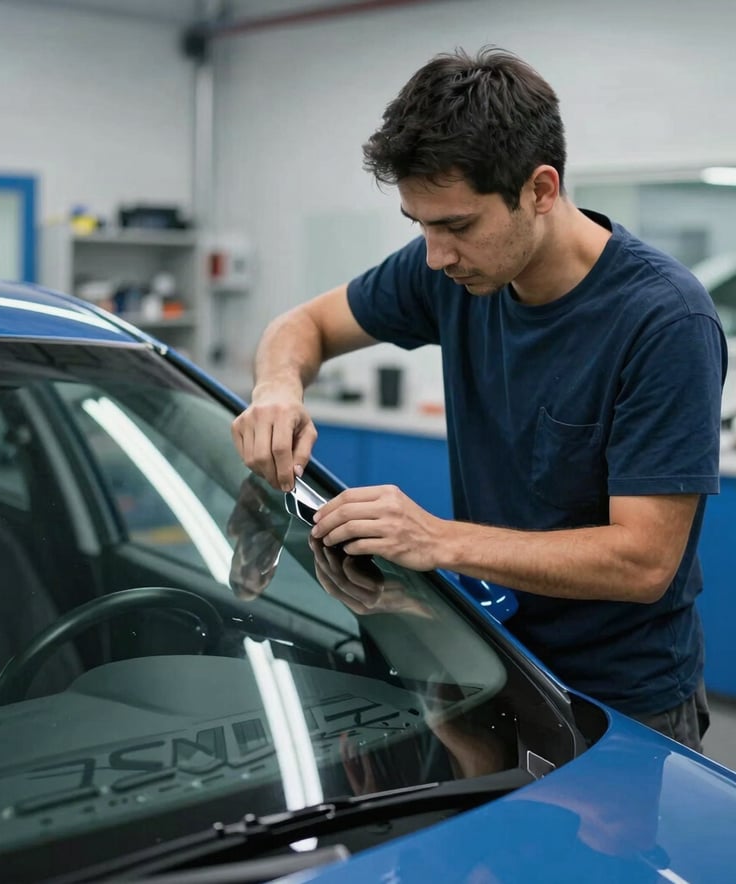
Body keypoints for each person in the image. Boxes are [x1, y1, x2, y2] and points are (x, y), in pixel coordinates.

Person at [231, 46, 727, 751]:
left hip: (621, 701)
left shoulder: (663, 320)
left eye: (457, 225)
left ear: (541, 189)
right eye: (420, 225)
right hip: (489, 660)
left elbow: (644, 562)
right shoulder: (446, 273)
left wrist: (433, 539)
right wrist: (278, 389)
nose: (436, 255)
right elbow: (301, 326)